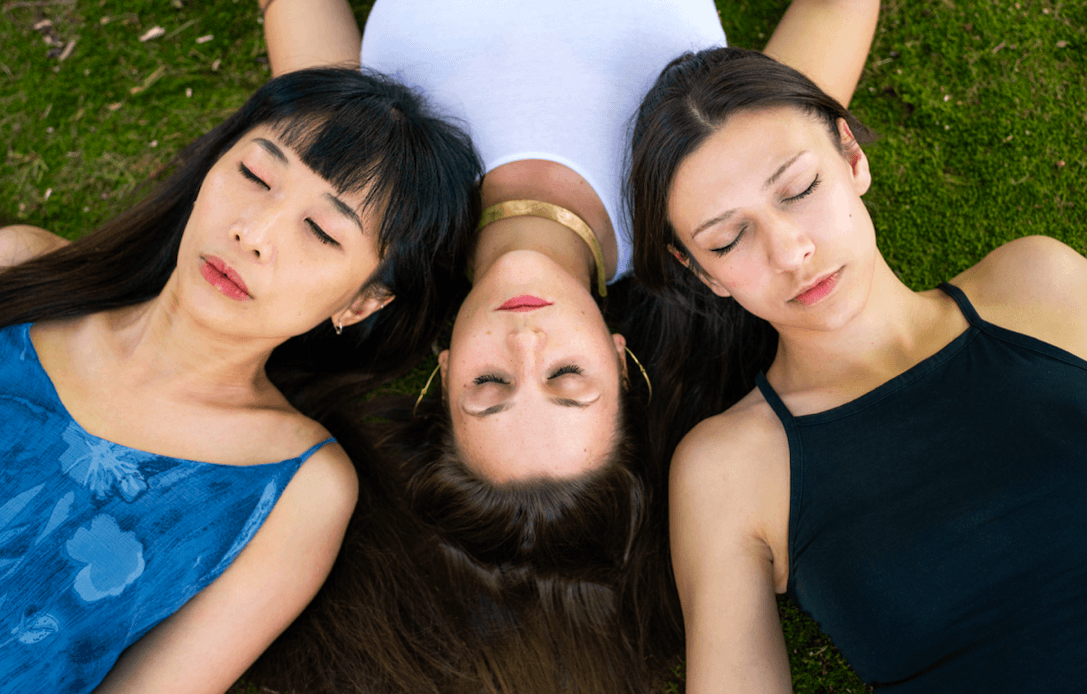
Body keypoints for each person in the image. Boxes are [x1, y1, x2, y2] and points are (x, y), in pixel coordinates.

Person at [252, 2, 879, 693]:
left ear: (445, 371)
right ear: (619, 359)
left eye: (489, 385)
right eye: (566, 376)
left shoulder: (374, 206)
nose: (526, 344)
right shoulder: (702, 199)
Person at [0, 66, 480, 693]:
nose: (251, 234)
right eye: (255, 175)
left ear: (362, 302)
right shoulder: (20, 270)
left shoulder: (297, 487)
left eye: (321, 232)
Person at [628, 46, 1087, 692]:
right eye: (729, 240)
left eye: (799, 190)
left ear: (851, 158)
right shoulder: (730, 468)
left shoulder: (1035, 283)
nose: (790, 252)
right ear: (703, 272)